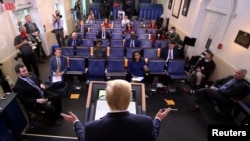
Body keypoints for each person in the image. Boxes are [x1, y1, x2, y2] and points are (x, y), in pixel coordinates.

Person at [61, 79, 171, 141]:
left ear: (107, 100)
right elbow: (152, 137)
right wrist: (157, 119)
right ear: (129, 100)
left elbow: (83, 137)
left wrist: (76, 122)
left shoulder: (91, 127)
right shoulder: (146, 122)